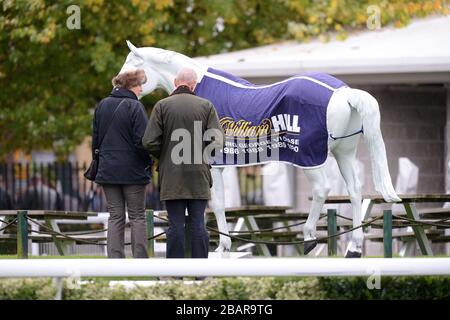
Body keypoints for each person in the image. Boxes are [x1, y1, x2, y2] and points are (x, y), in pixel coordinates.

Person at [142, 68, 223, 259]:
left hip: (172, 175)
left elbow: (148, 141)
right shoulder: (206, 105)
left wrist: (165, 155)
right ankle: (200, 271)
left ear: (176, 83)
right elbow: (218, 140)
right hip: (199, 174)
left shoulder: (162, 106)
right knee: (198, 224)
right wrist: (202, 153)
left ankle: (175, 271)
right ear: (193, 84)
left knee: (175, 225)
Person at [92, 68, 152, 258]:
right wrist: (148, 161)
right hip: (132, 171)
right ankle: (140, 260)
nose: (142, 89)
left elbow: (96, 139)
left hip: (108, 169)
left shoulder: (102, 105)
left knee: (115, 216)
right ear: (131, 86)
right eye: (140, 85)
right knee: (137, 216)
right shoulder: (135, 107)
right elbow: (142, 141)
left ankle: (115, 260)